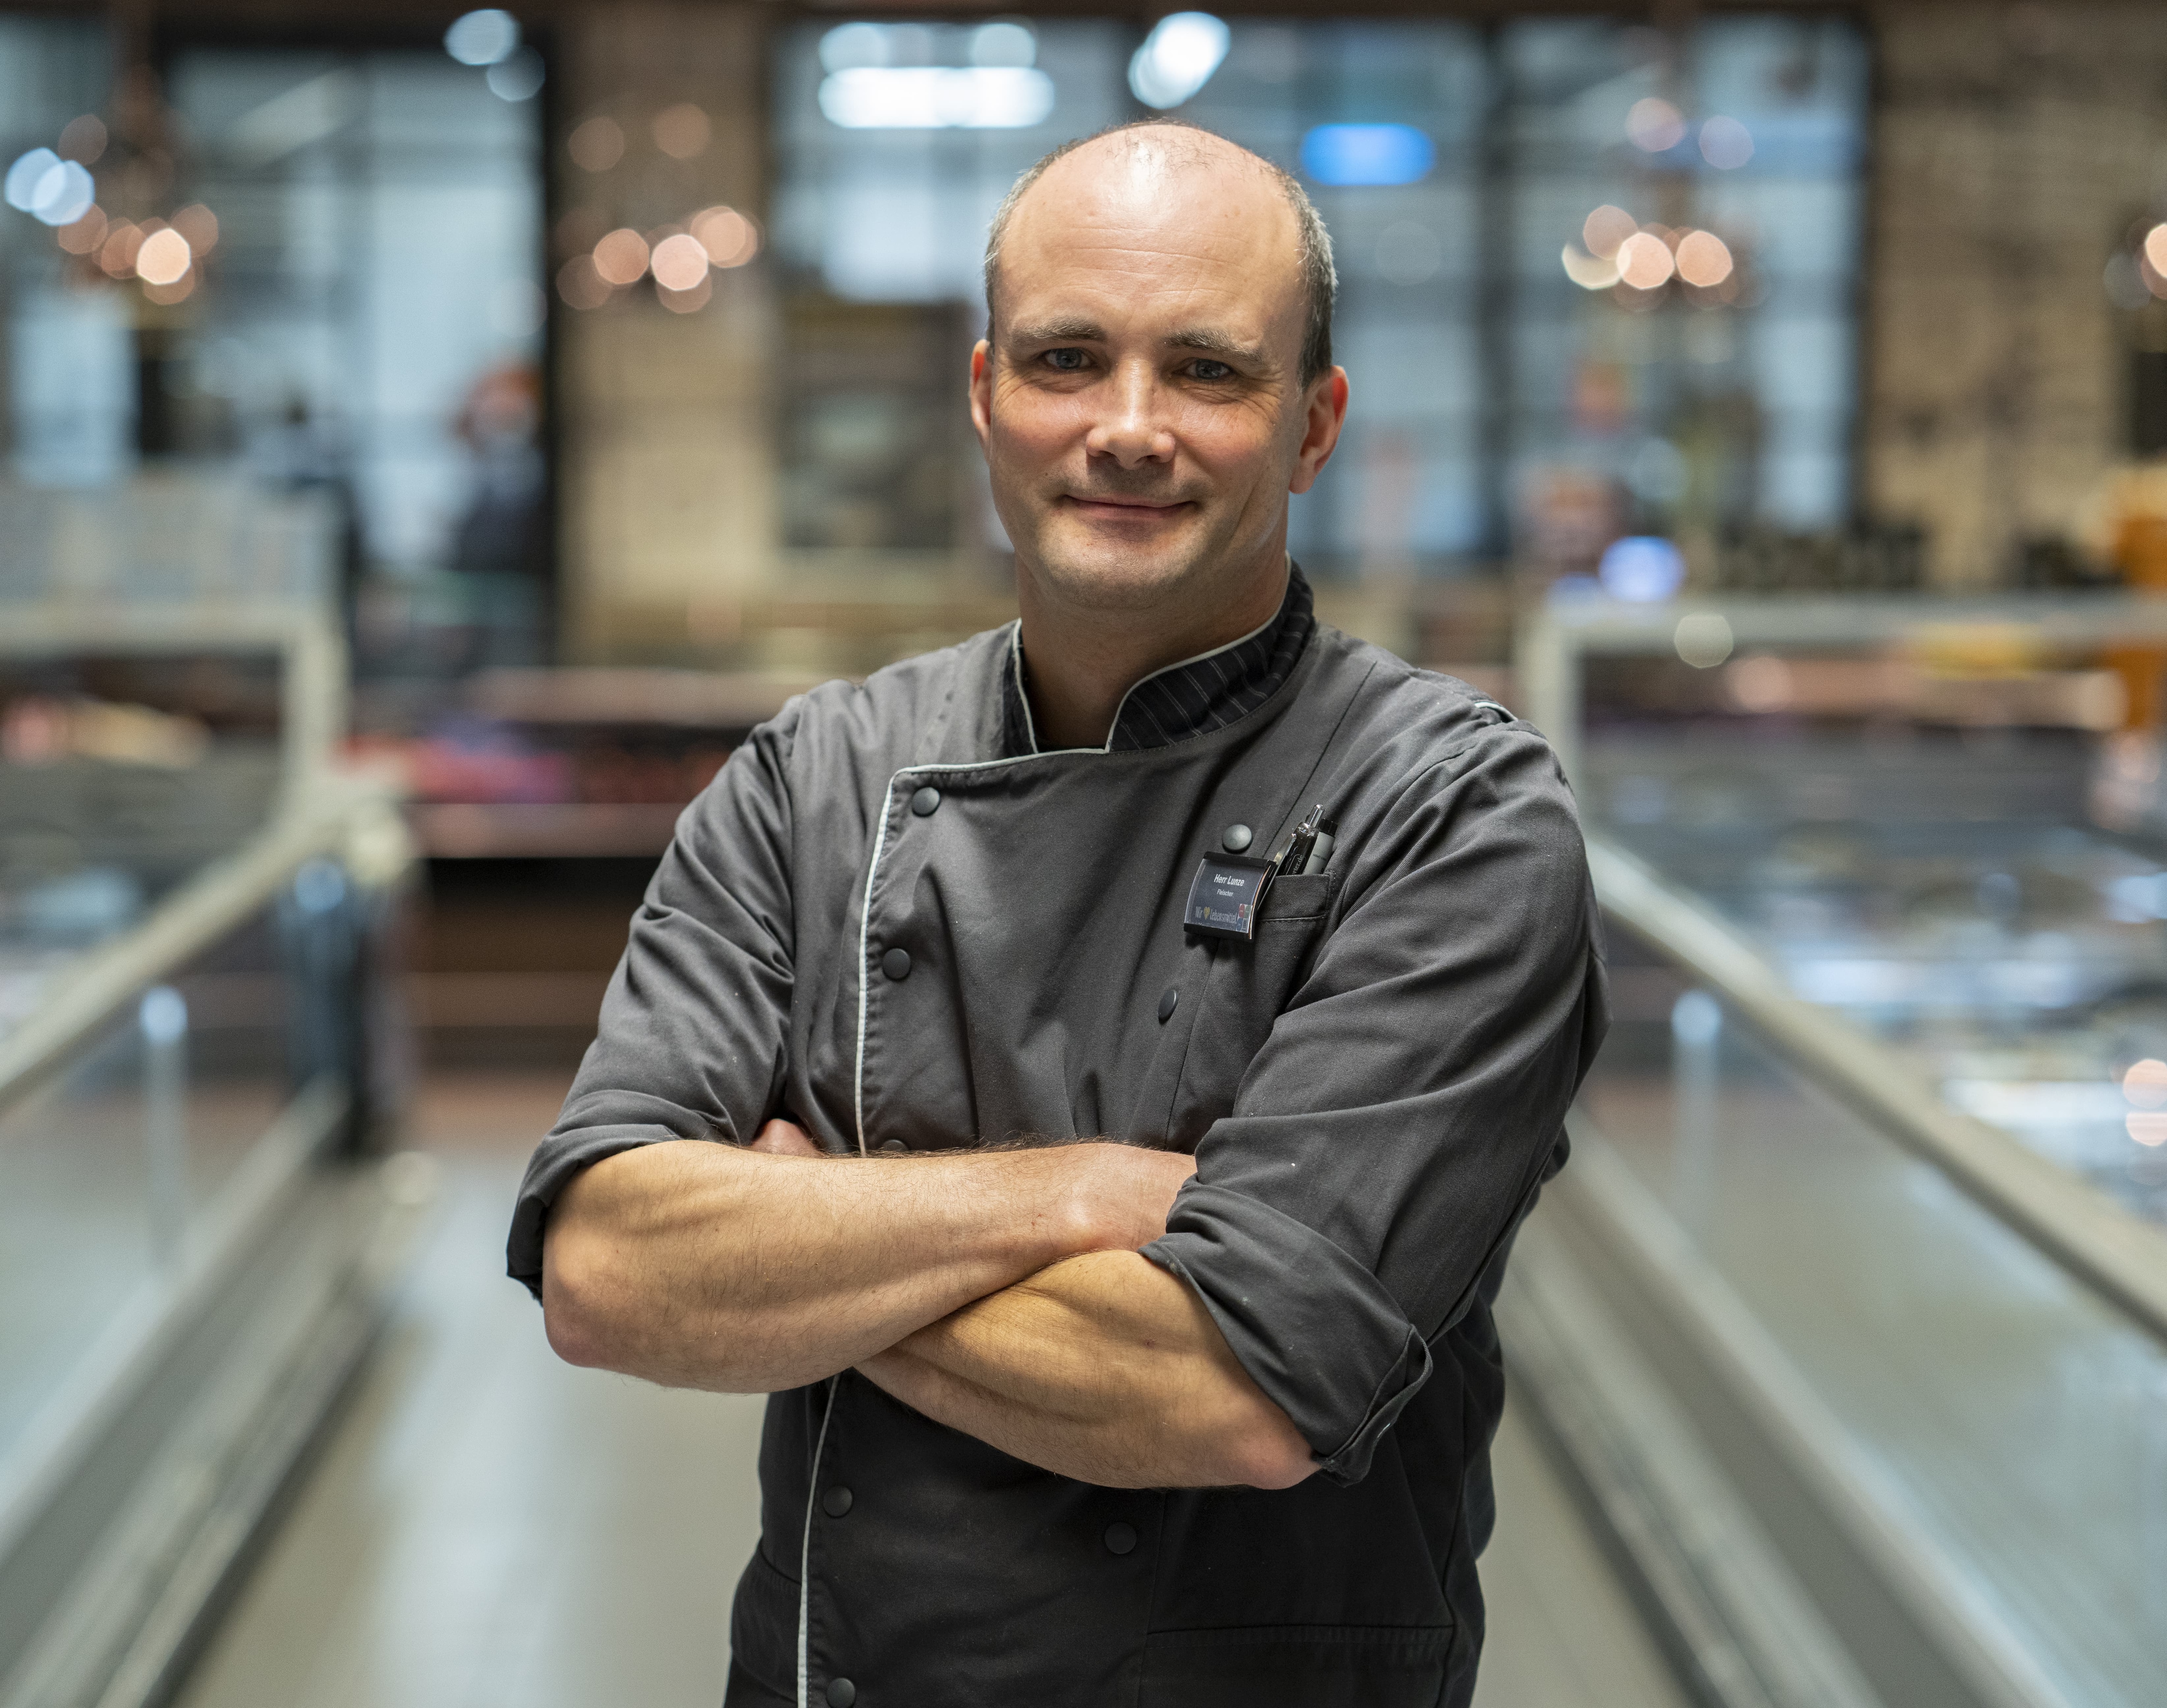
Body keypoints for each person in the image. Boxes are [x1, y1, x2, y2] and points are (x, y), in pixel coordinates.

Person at [509, 120, 1607, 1708]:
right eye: (1068, 359)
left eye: (1212, 372)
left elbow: (1229, 1386)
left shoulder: (1451, 819)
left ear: (1316, 425)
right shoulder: (815, 779)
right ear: (985, 399)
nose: (1128, 428)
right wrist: (1087, 1193)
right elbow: (606, 1271)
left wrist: (799, 1262)